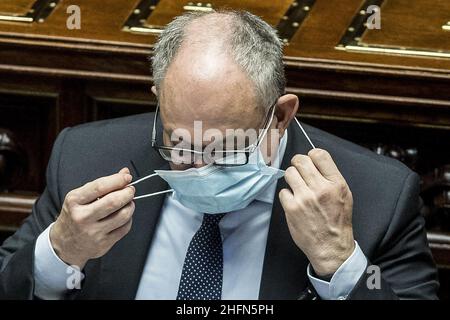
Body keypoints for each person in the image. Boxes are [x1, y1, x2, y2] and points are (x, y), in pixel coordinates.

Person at [0, 10, 438, 300]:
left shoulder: (379, 196)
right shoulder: (85, 156)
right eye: (178, 142)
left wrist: (338, 261)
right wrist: (59, 252)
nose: (197, 166)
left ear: (280, 116)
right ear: (160, 102)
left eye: (226, 147)